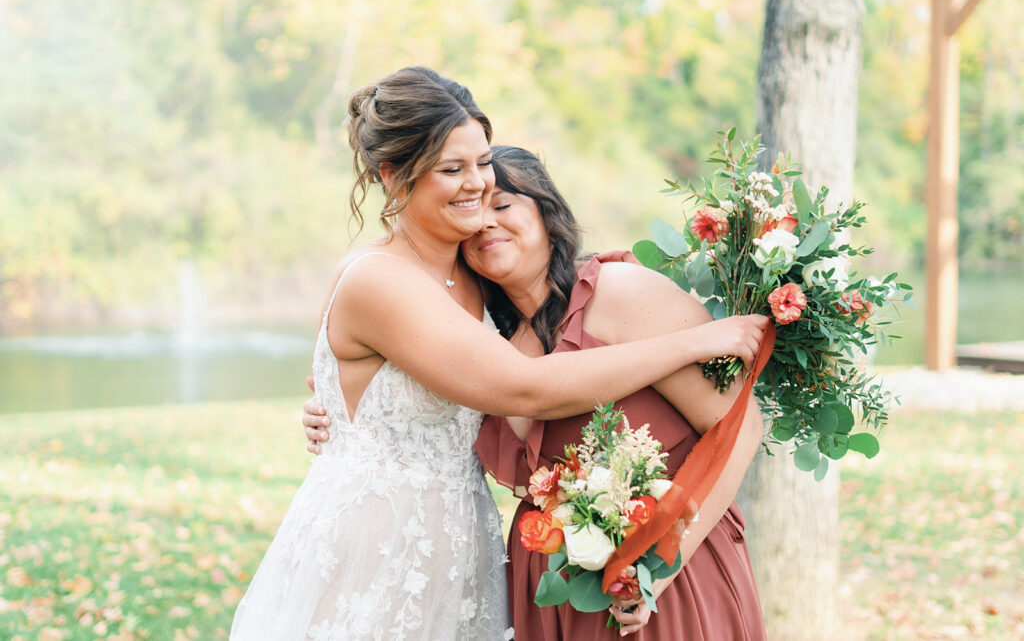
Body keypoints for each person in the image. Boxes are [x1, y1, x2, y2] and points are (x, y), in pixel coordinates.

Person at [232, 67, 768, 641]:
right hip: (383, 563)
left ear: (546, 209)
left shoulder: (551, 292)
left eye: (487, 172)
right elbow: (521, 387)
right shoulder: (404, 284)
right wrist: (694, 340)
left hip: (542, 570)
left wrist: (659, 558)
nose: (479, 198)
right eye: (452, 169)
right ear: (393, 177)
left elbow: (738, 420)